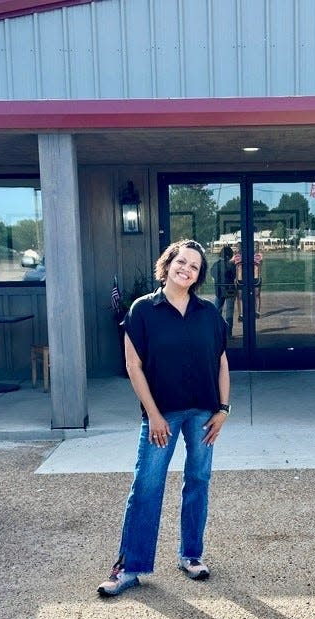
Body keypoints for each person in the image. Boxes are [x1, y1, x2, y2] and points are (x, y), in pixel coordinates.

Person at [97, 239, 231, 597]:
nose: (185, 269)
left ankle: (191, 555)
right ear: (168, 263)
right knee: (146, 486)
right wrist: (154, 415)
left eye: (194, 267)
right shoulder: (143, 309)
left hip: (204, 412)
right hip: (162, 415)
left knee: (198, 481)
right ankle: (129, 567)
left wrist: (223, 409)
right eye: (181, 261)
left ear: (199, 276)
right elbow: (133, 365)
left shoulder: (208, 312)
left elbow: (221, 361)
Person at [232, 241, 263, 321]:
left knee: (256, 295)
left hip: (255, 277)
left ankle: (257, 311)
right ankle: (241, 314)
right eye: (237, 247)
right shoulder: (237, 256)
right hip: (240, 278)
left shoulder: (258, 255)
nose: (238, 248)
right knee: (239, 297)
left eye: (239, 247)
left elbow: (259, 262)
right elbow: (230, 262)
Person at [211, 244, 236, 337]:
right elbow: (234, 276)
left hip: (218, 290)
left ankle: (217, 332)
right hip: (229, 290)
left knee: (217, 311)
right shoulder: (230, 265)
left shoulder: (215, 265)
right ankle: (228, 333)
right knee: (229, 312)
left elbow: (213, 276)